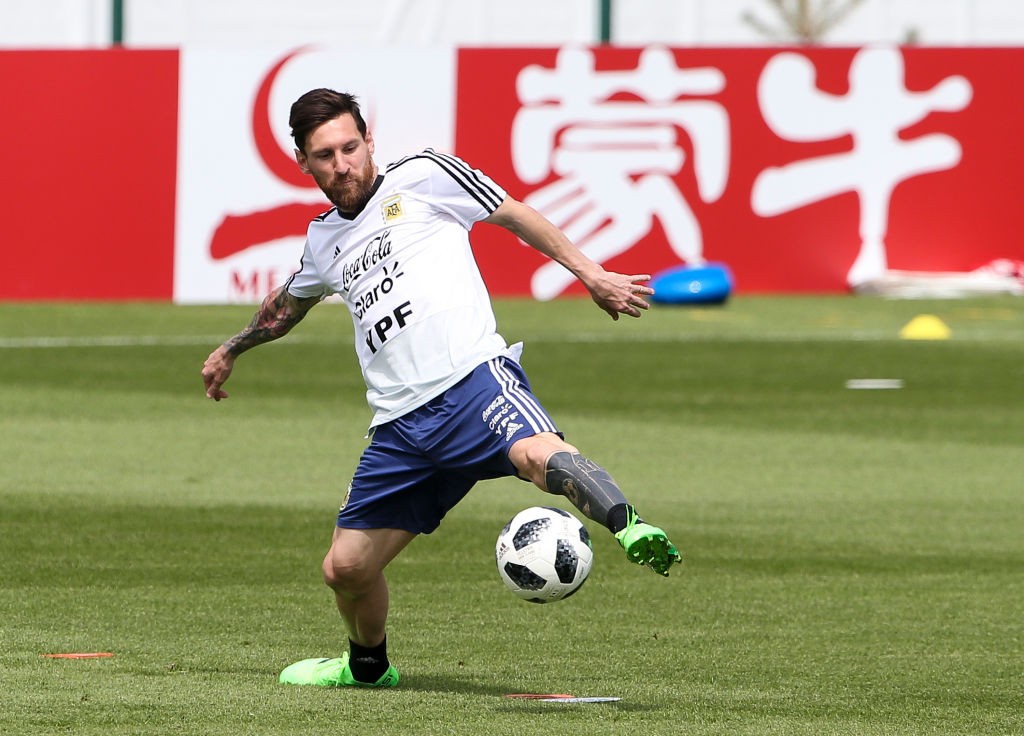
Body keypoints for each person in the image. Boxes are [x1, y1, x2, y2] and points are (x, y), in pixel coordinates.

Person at [201, 88, 682, 689]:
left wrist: (590, 273)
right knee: (345, 568)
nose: (342, 163)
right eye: (325, 155)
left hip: (473, 384)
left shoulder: (425, 176)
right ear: (303, 161)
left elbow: (514, 213)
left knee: (538, 453)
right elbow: (288, 302)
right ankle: (368, 667)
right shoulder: (324, 240)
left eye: (351, 147)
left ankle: (628, 521)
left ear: (369, 141)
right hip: (400, 428)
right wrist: (232, 348)